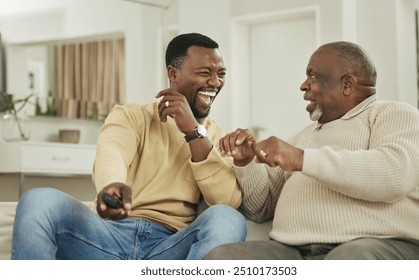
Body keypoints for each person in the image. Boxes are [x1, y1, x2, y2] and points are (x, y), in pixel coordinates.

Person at [11, 32, 246, 260]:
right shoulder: (131, 115)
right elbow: (112, 151)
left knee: (227, 218)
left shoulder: (218, 138)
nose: (215, 82)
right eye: (205, 73)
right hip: (105, 238)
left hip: (169, 249)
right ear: (173, 73)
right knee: (38, 200)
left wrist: (193, 133)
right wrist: (112, 187)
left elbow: (228, 201)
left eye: (221, 74)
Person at [204, 41, 419, 260]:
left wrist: (300, 158)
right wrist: (247, 163)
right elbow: (261, 209)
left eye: (312, 76)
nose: (303, 85)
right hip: (293, 251)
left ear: (347, 84)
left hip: (381, 244)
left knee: (347, 261)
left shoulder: (395, 115)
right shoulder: (304, 136)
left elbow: (394, 175)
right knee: (222, 258)